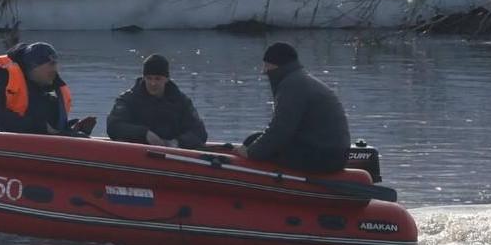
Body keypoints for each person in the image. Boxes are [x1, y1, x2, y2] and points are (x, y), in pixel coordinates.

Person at [233, 42, 350, 172]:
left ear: (277, 65)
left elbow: (280, 130)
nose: (264, 71)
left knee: (256, 146)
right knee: (254, 139)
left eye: (266, 65)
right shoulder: (299, 79)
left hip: (324, 156)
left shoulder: (292, 87)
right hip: (331, 150)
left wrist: (251, 153)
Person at [0, 41, 96, 136]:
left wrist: (73, 129)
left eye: (55, 64)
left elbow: (51, 129)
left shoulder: (48, 91)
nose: (55, 69)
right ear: (33, 66)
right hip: (2, 140)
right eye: (51, 64)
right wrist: (39, 126)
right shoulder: (2, 75)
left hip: (34, 144)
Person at [107, 53, 208, 148]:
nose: (153, 83)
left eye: (157, 79)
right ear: (143, 78)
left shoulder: (181, 102)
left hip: (172, 152)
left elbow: (199, 132)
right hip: (137, 151)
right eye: (149, 78)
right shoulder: (129, 99)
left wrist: (176, 143)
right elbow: (114, 126)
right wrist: (144, 133)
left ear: (166, 79)